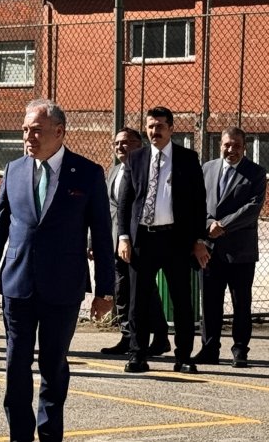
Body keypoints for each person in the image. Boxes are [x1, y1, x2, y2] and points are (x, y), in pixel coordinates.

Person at [0, 99, 114, 442]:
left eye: (36, 130)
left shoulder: (88, 173)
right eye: (25, 130)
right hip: (17, 284)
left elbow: (102, 235)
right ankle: (19, 435)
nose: (28, 137)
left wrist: (104, 291)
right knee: (14, 366)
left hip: (62, 287)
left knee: (53, 367)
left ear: (59, 131)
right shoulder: (14, 170)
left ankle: (50, 435)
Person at [117, 106, 209, 374]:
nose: (154, 131)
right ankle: (137, 355)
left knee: (182, 301)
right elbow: (125, 201)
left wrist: (198, 239)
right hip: (142, 239)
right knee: (138, 300)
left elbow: (198, 203)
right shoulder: (136, 158)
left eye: (159, 126)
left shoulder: (188, 160)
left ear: (171, 128)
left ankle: (183, 357)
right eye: (150, 126)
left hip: (175, 240)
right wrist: (124, 237)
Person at [196, 127, 266, 368]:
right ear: (220, 145)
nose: (231, 149)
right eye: (227, 144)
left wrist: (221, 225)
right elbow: (197, 203)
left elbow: (252, 209)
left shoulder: (256, 173)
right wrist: (207, 224)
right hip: (209, 249)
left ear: (244, 147)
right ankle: (209, 348)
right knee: (211, 302)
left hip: (240, 251)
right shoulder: (207, 169)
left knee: (241, 304)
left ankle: (240, 350)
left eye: (236, 145)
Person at [99, 128, 169, 357]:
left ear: (140, 145)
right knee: (121, 289)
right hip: (115, 241)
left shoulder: (149, 171)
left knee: (144, 291)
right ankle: (128, 336)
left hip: (138, 241)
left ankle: (159, 337)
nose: (121, 147)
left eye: (127, 142)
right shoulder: (115, 171)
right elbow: (107, 208)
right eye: (117, 143)